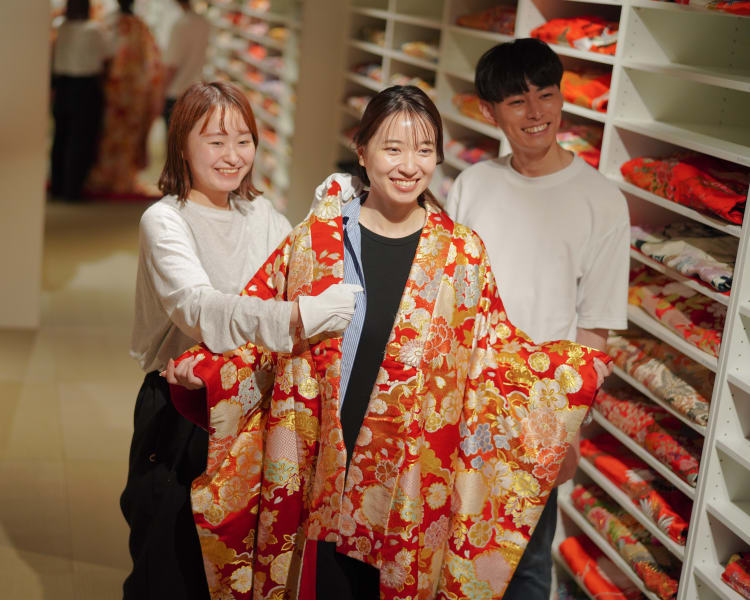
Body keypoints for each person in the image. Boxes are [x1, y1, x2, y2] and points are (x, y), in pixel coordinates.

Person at [165, 85, 611, 600]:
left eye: (424, 150)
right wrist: (207, 369)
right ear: (362, 151)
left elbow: (493, 356)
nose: (409, 165)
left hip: (410, 474)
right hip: (321, 458)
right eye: (393, 148)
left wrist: (568, 377)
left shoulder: (463, 254)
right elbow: (264, 328)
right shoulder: (315, 240)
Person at [121, 81, 360, 600]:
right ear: (183, 145)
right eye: (215, 141)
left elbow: (297, 271)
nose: (232, 156)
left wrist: (332, 218)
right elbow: (199, 308)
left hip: (253, 406)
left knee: (239, 566)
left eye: (243, 140)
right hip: (183, 410)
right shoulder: (165, 220)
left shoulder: (263, 216)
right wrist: (295, 317)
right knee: (168, 565)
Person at [445, 38, 630, 600]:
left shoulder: (601, 200)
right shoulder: (472, 185)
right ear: (488, 111)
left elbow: (595, 328)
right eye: (517, 101)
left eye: (546, 95)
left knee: (522, 563)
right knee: (443, 545)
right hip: (463, 397)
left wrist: (569, 431)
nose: (536, 113)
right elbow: (446, 301)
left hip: (539, 412)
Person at [86, 0, 164, 196]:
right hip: (136, 90)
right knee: (130, 135)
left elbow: (104, 53)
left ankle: (106, 175)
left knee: (109, 133)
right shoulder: (141, 27)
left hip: (115, 88)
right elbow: (152, 61)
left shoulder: (111, 23)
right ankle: (124, 178)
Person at [50, 0, 109, 200]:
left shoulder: (60, 26)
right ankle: (72, 189)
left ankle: (57, 185)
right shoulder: (95, 29)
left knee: (60, 136)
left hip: (62, 86)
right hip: (85, 86)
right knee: (81, 139)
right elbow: (106, 56)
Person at [162, 0, 210, 127]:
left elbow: (172, 65)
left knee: (173, 135)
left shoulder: (181, 24)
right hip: (195, 91)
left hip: (176, 92)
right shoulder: (204, 22)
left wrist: (160, 93)